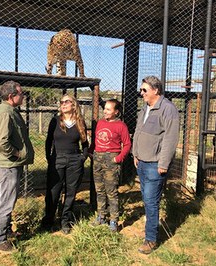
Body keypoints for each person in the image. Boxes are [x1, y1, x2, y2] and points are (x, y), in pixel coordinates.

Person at [132, 76, 180, 254]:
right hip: (142, 162)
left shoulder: (168, 109)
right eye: (141, 90)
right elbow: (138, 131)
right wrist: (135, 153)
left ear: (155, 90)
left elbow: (171, 138)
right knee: (147, 199)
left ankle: (151, 239)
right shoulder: (145, 108)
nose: (141, 93)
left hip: (155, 165)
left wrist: (164, 163)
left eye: (144, 90)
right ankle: (150, 228)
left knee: (151, 201)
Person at [0, 80, 34, 252]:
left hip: (10, 165)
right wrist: (16, 153)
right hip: (8, 166)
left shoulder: (10, 110)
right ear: (11, 96)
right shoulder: (5, 113)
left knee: (9, 200)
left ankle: (6, 231)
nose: (23, 95)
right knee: (7, 203)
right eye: (21, 93)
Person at [41, 94, 89, 234]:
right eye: (61, 102)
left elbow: (85, 143)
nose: (63, 104)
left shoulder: (80, 122)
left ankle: (65, 221)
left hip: (75, 160)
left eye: (66, 101)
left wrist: (83, 157)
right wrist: (49, 158)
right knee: (53, 191)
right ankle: (48, 220)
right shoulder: (55, 121)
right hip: (57, 159)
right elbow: (49, 141)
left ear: (73, 104)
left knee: (70, 192)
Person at [90, 99, 131, 232]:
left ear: (116, 112)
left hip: (111, 159)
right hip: (98, 158)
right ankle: (101, 216)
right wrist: (91, 152)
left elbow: (127, 144)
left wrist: (118, 158)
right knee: (99, 190)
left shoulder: (121, 126)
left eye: (108, 109)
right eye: (105, 109)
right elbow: (95, 139)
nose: (105, 111)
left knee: (111, 192)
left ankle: (113, 220)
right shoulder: (100, 123)